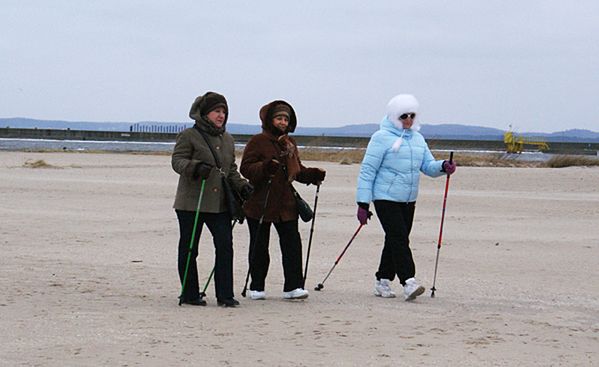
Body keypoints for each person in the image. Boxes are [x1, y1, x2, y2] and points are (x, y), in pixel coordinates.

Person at [355, 94, 456, 301]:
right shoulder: (381, 137)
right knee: (399, 238)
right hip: (384, 197)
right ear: (394, 116)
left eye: (412, 115)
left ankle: (382, 281)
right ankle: (409, 282)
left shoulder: (418, 139)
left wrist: (443, 166)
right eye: (404, 116)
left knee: (395, 239)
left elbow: (427, 166)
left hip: (408, 199)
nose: (408, 120)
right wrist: (363, 203)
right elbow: (367, 171)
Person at [172, 91, 253, 307]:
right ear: (205, 113)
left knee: (225, 246)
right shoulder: (189, 135)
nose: (221, 115)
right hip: (191, 202)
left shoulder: (228, 139)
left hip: (220, 204)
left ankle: (225, 295)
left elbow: (231, 170)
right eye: (217, 111)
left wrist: (243, 186)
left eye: (224, 111)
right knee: (190, 248)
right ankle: (189, 294)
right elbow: (177, 161)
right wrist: (195, 167)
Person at [240, 100, 326, 300]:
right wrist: (265, 167)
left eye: (286, 119)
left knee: (292, 246)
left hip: (286, 204)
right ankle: (256, 287)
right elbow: (246, 168)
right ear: (270, 119)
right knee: (259, 246)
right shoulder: (257, 141)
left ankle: (293, 287)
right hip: (260, 203)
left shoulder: (289, 143)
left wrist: (312, 175)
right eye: (279, 118)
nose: (282, 122)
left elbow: (296, 170)